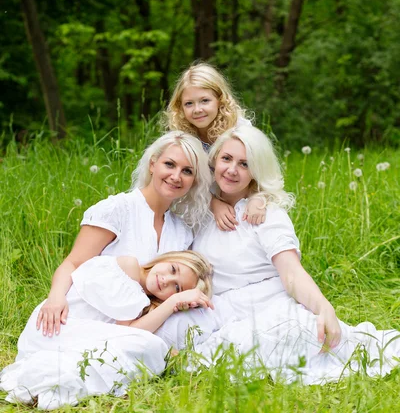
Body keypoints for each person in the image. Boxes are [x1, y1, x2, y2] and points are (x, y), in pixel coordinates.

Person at [157, 126, 400, 384]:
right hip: (214, 310)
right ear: (215, 159)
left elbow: (292, 273)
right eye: (226, 159)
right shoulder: (199, 209)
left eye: (244, 164)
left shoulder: (266, 215)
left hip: (265, 308)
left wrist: (323, 307)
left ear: (255, 172)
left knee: (287, 336)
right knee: (168, 333)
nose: (231, 169)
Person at [36, 131, 212, 339]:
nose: (176, 176)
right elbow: (74, 263)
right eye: (170, 164)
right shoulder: (118, 209)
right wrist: (55, 298)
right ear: (153, 164)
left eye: (187, 171)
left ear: (194, 180)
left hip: (126, 329)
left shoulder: (181, 232)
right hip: (80, 314)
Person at [0, 251, 213, 409]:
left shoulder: (142, 301)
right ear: (166, 258)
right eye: (172, 269)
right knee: (151, 345)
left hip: (68, 332)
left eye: (176, 287)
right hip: (56, 326)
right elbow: (130, 333)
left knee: (150, 346)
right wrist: (174, 301)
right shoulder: (129, 267)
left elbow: (127, 333)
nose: (166, 280)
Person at [166, 62, 265, 230]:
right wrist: (213, 204)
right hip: (201, 202)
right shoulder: (182, 137)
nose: (197, 110)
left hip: (242, 197)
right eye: (189, 103)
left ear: (220, 100)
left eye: (205, 101)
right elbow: (181, 182)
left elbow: (263, 173)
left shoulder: (240, 131)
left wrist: (258, 197)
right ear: (180, 107)